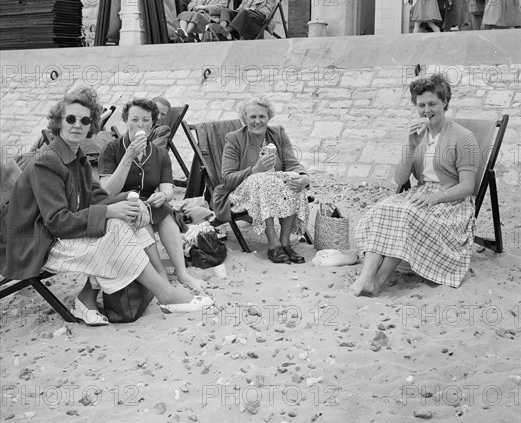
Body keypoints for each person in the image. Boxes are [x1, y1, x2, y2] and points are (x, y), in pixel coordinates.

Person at [0, 87, 213, 324]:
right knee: (115, 229)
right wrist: (112, 211)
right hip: (31, 243)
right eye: (70, 118)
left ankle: (88, 298)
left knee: (123, 219)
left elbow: (96, 197)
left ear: (91, 125)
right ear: (59, 122)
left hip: (51, 234)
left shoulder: (76, 157)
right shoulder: (48, 161)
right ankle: (167, 294)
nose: (77, 125)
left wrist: (133, 202)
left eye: (84, 120)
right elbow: (58, 221)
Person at [350, 74, 479, 296]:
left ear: (445, 102)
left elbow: (468, 186)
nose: (426, 110)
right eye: (421, 105)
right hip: (421, 193)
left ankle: (378, 280)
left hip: (451, 201)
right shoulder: (418, 135)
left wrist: (436, 197)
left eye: (432, 104)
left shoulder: (463, 137)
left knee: (407, 213)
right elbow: (400, 180)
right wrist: (410, 146)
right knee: (384, 208)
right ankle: (366, 277)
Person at [98, 98, 206, 292]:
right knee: (138, 209)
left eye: (146, 120)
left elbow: (168, 190)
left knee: (163, 208)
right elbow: (107, 191)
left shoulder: (160, 154)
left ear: (153, 124)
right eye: (135, 119)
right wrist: (129, 156)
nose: (140, 125)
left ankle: (182, 273)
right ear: (126, 120)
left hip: (149, 204)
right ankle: (160, 274)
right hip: (119, 204)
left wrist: (163, 196)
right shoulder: (112, 149)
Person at [213, 96, 310, 264]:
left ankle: (285, 243)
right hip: (240, 193)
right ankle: (273, 245)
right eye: (252, 117)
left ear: (269, 117)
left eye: (262, 116)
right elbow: (227, 179)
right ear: (244, 118)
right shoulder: (234, 138)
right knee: (261, 179)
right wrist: (255, 170)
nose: (257, 121)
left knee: (293, 179)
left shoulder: (278, 133)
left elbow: (291, 163)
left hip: (274, 189)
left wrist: (304, 177)